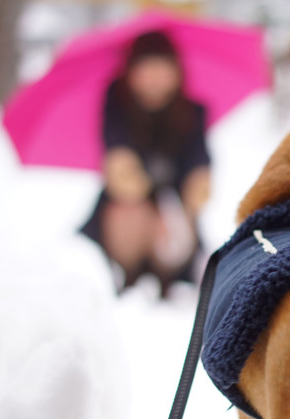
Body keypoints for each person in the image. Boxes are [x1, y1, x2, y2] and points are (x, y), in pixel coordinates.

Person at [80, 31, 211, 297]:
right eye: (146, 69)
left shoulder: (192, 112)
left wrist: (188, 197)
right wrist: (128, 178)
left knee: (174, 228)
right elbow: (118, 152)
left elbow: (198, 160)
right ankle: (125, 275)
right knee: (129, 213)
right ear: (131, 72)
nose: (154, 78)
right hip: (127, 210)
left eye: (162, 69)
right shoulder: (117, 104)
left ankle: (169, 278)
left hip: (175, 211)